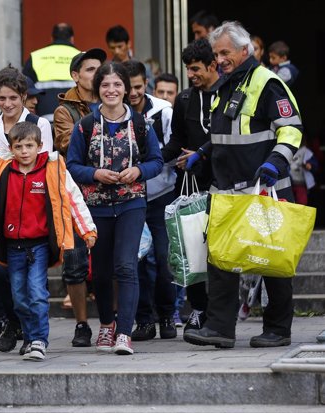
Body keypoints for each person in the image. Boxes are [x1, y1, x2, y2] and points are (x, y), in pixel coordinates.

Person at [183, 21, 302, 349]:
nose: (219, 59)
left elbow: (290, 128)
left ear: (244, 50)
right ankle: (220, 328)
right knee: (221, 259)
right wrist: (205, 152)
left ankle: (278, 329)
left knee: (272, 260)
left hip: (263, 187)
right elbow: (227, 132)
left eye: (225, 52)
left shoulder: (267, 82)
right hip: (227, 190)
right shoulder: (225, 84)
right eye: (216, 53)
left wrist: (275, 163)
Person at [0, 122, 97, 360]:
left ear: (40, 146)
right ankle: (28, 337)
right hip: (12, 246)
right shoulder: (3, 170)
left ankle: (39, 340)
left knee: (37, 292)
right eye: (19, 146)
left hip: (38, 244)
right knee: (19, 298)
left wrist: (87, 230)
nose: (25, 151)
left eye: (30, 146)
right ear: (11, 148)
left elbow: (73, 199)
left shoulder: (53, 169)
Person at [67, 63, 163, 355]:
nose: (111, 90)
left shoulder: (141, 124)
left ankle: (124, 333)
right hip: (96, 206)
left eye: (117, 85)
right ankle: (106, 324)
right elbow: (71, 165)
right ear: (98, 89)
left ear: (127, 89)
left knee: (126, 265)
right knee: (103, 270)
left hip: (131, 202)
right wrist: (95, 174)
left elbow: (157, 161)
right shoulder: (84, 125)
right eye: (105, 85)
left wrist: (139, 171)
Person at [0, 65, 53, 353]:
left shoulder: (38, 123)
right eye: (2, 98)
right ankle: (12, 320)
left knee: (33, 285)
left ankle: (35, 335)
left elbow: (47, 162)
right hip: (1, 209)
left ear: (23, 97)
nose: (7, 104)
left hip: (33, 208)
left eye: (13, 98)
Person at [162, 38, 220, 333]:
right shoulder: (184, 99)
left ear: (213, 65)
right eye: (188, 69)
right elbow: (176, 141)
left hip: (223, 184)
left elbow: (226, 138)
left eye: (196, 68)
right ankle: (199, 308)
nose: (192, 74)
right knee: (190, 250)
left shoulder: (229, 94)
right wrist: (152, 160)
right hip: (190, 186)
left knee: (220, 252)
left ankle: (221, 312)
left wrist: (201, 153)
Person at [53, 47, 106, 347]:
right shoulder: (65, 110)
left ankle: (110, 322)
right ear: (75, 75)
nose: (97, 75)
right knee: (73, 261)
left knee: (108, 261)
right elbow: (65, 141)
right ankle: (82, 325)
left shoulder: (112, 100)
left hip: (110, 190)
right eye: (89, 69)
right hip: (74, 192)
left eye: (100, 69)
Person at [122, 60, 177, 342]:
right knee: (137, 261)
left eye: (139, 88)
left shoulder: (163, 111)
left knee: (165, 257)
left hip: (161, 194)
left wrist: (145, 163)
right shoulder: (115, 113)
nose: (133, 93)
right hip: (129, 196)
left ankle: (167, 314)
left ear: (148, 85)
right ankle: (144, 320)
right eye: (127, 88)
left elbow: (173, 147)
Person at [22, 23, 81, 121]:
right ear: (72, 39)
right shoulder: (81, 58)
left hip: (44, 122)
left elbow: (23, 88)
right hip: (74, 122)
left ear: (52, 39)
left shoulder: (36, 57)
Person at [105, 25, 154, 92]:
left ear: (128, 44)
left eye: (120, 46)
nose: (116, 51)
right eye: (112, 48)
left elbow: (150, 93)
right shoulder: (106, 69)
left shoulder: (144, 68)